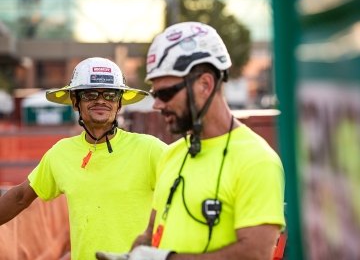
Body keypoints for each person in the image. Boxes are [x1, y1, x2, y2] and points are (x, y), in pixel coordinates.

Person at [96, 22, 285, 260]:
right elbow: (151, 233)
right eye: (155, 95)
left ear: (205, 84)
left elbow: (255, 254)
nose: (157, 104)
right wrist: (132, 255)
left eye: (165, 93)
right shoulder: (172, 155)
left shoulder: (256, 160)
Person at [0, 57, 168, 260]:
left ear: (120, 102)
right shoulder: (61, 153)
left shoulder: (149, 149)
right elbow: (20, 197)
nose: (101, 100)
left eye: (110, 95)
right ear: (75, 101)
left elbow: (186, 193)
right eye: (90, 94)